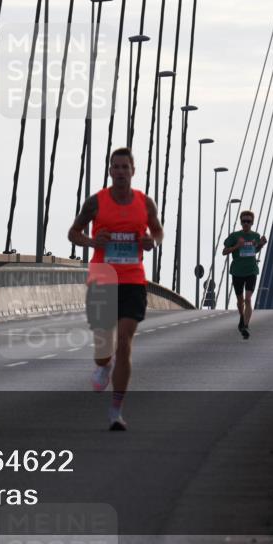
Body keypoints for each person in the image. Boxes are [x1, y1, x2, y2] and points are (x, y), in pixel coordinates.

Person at [68, 147, 164, 431]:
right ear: (110, 171)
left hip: (133, 279)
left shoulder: (145, 203)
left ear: (133, 171)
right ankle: (102, 365)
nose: (120, 171)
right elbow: (73, 232)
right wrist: (91, 241)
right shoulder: (96, 202)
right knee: (104, 345)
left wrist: (152, 241)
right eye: (116, 167)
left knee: (124, 342)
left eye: (125, 167)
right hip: (102, 277)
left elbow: (157, 230)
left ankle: (116, 410)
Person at [222, 209, 267, 339]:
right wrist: (237, 246)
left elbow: (255, 250)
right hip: (237, 271)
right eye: (244, 221)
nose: (246, 223)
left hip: (251, 270)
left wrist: (261, 245)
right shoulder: (234, 236)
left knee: (248, 299)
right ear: (241, 222)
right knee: (240, 301)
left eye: (249, 221)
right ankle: (242, 316)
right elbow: (224, 252)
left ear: (252, 222)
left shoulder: (255, 235)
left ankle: (246, 326)